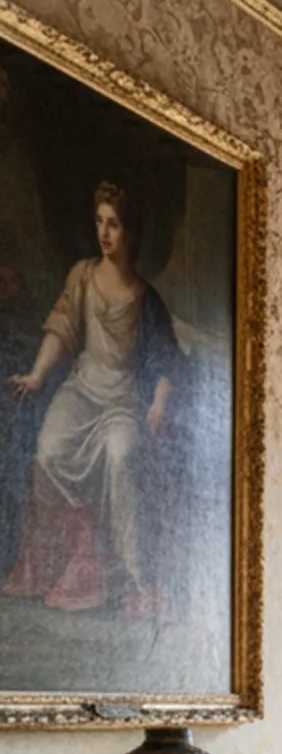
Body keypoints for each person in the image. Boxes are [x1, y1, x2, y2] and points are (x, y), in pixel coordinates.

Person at [5, 181, 180, 618]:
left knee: (121, 456)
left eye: (114, 224)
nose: (104, 232)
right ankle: (60, 561)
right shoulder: (82, 275)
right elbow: (61, 329)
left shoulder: (145, 299)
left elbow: (165, 360)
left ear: (130, 233)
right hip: (80, 392)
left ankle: (134, 579)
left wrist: (158, 405)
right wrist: (39, 376)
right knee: (48, 451)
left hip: (121, 402)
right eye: (100, 222)